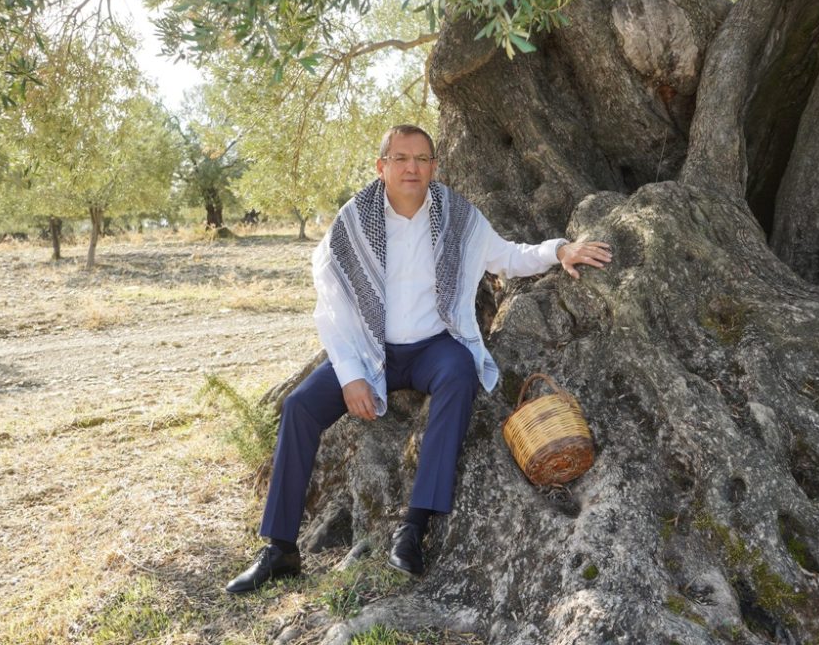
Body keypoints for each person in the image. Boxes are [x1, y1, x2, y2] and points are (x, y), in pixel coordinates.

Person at [225, 124, 612, 593]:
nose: (412, 167)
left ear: (433, 166)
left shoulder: (456, 215)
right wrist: (350, 376)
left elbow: (506, 257)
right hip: (370, 350)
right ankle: (280, 548)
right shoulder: (352, 222)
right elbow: (332, 307)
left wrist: (561, 250)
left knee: (461, 373)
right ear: (381, 166)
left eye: (422, 159)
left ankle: (414, 526)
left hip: (433, 346)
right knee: (299, 407)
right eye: (401, 158)